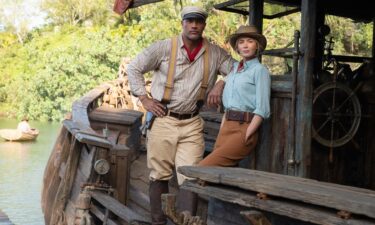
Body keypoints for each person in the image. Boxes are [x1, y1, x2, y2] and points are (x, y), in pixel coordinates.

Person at [126, 6, 234, 225]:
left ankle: (185, 223)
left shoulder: (214, 53)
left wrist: (221, 84)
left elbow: (238, 71)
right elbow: (134, 68)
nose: (194, 25)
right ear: (183, 23)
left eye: (199, 21)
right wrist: (144, 99)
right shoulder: (164, 47)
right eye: (190, 21)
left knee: (191, 175)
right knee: (159, 173)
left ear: (204, 25)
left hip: (192, 122)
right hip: (163, 118)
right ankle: (158, 221)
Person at [199, 25, 271, 167]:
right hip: (226, 127)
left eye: (250, 41)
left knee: (204, 168)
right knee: (218, 175)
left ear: (257, 46)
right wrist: (222, 129)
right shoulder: (233, 70)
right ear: (237, 47)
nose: (245, 45)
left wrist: (248, 133)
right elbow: (229, 104)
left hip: (244, 128)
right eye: (241, 42)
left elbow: (263, 109)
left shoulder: (260, 71)